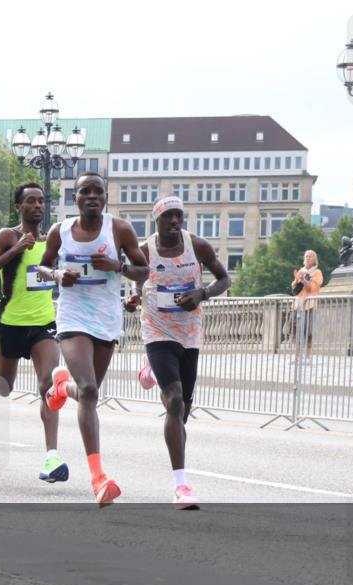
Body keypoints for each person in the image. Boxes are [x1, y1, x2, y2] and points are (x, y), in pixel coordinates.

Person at [37, 173, 149, 507]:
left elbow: (144, 271)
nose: (91, 197)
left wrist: (119, 265)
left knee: (88, 393)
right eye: (84, 192)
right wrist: (58, 275)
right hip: (72, 318)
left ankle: (60, 388)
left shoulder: (120, 229)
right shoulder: (61, 231)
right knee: (88, 390)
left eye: (97, 192)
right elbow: (42, 267)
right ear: (77, 198)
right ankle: (98, 477)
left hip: (107, 319)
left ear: (105, 197)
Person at [125, 195, 230, 509]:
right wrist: (132, 297)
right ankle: (181, 486)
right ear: (156, 220)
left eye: (178, 217)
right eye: (168, 217)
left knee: (183, 411)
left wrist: (202, 292)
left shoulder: (198, 246)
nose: (174, 222)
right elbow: (137, 280)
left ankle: (151, 373)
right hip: (157, 332)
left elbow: (223, 278)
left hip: (190, 333)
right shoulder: (146, 250)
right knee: (172, 401)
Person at [0, 183, 63, 482]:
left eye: (41, 201)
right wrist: (14, 250)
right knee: (6, 387)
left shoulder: (53, 240)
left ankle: (51, 457)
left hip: (44, 324)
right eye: (30, 201)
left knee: (48, 384)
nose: (37, 205)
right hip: (11, 324)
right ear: (19, 207)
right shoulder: (7, 236)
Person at [291, 249, 323, 362]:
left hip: (310, 304)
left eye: (310, 256)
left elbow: (311, 288)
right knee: (296, 329)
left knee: (308, 331)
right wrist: (296, 279)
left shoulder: (317, 272)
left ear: (314, 260)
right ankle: (297, 356)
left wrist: (304, 281)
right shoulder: (301, 270)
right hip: (298, 304)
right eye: (306, 256)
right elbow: (294, 288)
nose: (307, 258)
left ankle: (308, 356)